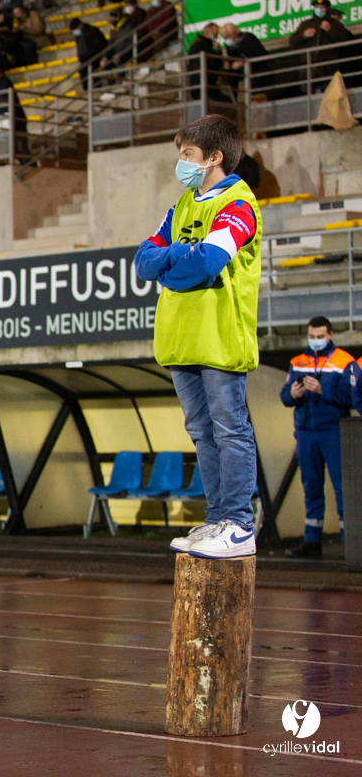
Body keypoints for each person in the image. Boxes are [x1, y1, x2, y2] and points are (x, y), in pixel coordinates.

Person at [133, 115, 262, 559]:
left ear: (214, 157)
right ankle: (216, 518)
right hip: (181, 338)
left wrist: (172, 263)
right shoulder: (182, 204)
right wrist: (179, 254)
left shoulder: (238, 203)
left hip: (220, 336)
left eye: (187, 154)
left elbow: (207, 262)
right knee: (203, 434)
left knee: (230, 430)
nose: (182, 162)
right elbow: (143, 262)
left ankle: (238, 523)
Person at [280, 317, 353, 557]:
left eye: (320, 336)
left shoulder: (344, 361)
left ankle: (351, 543)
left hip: (334, 431)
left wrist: (322, 390)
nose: (315, 340)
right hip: (305, 433)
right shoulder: (297, 362)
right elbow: (285, 396)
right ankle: (311, 541)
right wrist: (293, 393)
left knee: (343, 488)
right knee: (311, 486)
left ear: (330, 335)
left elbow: (351, 398)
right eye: (312, 336)